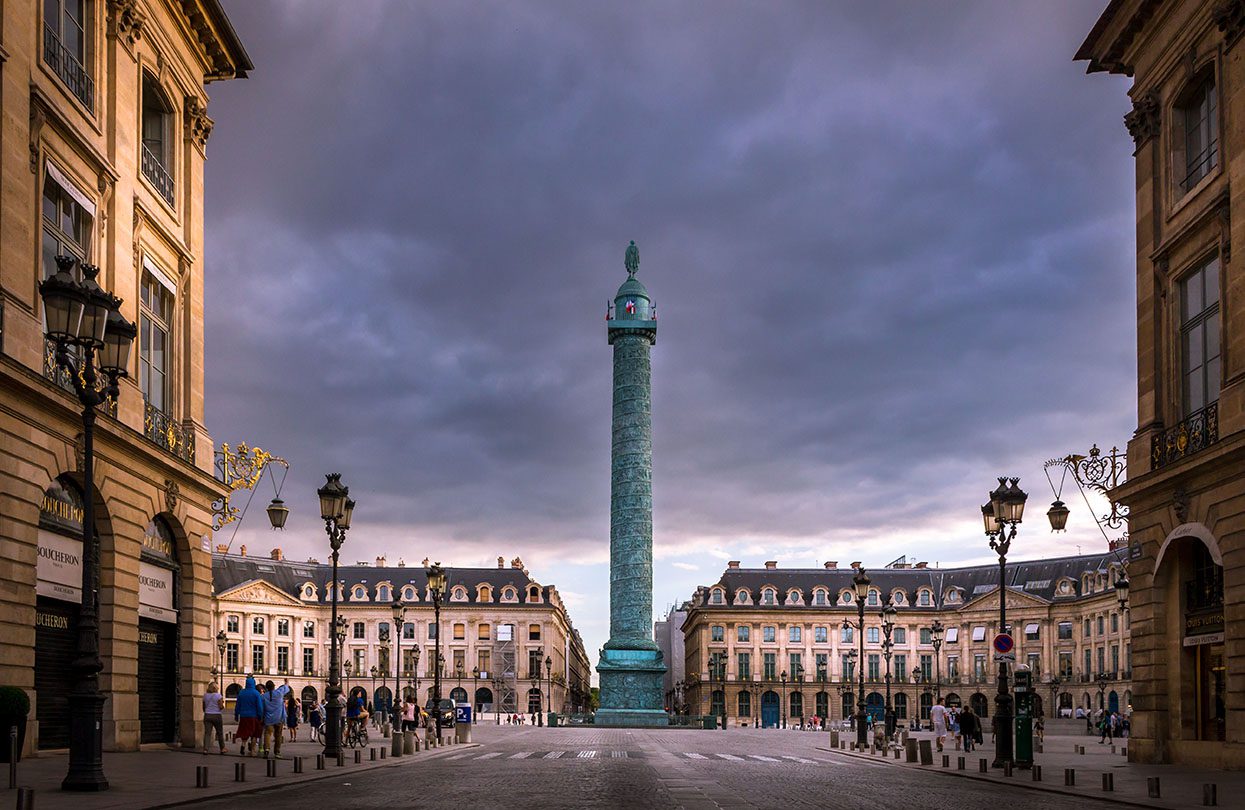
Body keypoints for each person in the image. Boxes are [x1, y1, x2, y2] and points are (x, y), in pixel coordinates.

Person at [233, 676, 263, 756]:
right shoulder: (256, 693)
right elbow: (259, 707)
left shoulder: (241, 693)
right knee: (254, 734)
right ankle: (253, 751)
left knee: (244, 732)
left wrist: (236, 715)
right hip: (253, 716)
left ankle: (243, 745)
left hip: (243, 716)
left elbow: (237, 705)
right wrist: (260, 716)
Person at [261, 679, 289, 757]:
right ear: (274, 687)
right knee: (278, 735)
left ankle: (266, 750)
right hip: (279, 718)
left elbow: (262, 708)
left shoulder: (263, 696)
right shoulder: (279, 693)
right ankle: (277, 752)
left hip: (268, 719)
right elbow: (286, 688)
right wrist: (286, 682)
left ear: (266, 688)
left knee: (267, 733)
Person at [202, 681, 226, 754]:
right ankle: (222, 748)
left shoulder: (205, 696)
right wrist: (222, 705)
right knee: (219, 732)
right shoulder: (218, 696)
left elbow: (203, 707)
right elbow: (221, 707)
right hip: (217, 715)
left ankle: (205, 749)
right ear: (216, 688)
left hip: (207, 715)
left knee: (207, 733)